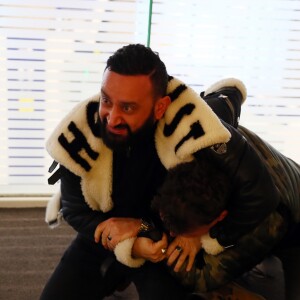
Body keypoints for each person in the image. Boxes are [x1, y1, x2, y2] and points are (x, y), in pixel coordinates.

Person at [41, 43, 281, 300]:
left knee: (222, 108)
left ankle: (223, 94)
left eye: (128, 107)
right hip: (109, 229)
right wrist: (130, 244)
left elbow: (261, 195)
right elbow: (76, 211)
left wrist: (202, 236)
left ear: (159, 108)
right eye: (107, 100)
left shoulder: (198, 128)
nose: (111, 118)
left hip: (168, 233)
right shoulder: (78, 134)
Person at [151, 130, 300, 299]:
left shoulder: (264, 223)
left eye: (183, 231)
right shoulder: (204, 142)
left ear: (220, 218)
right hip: (282, 179)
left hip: (293, 228)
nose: (173, 234)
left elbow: (202, 279)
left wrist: (157, 245)